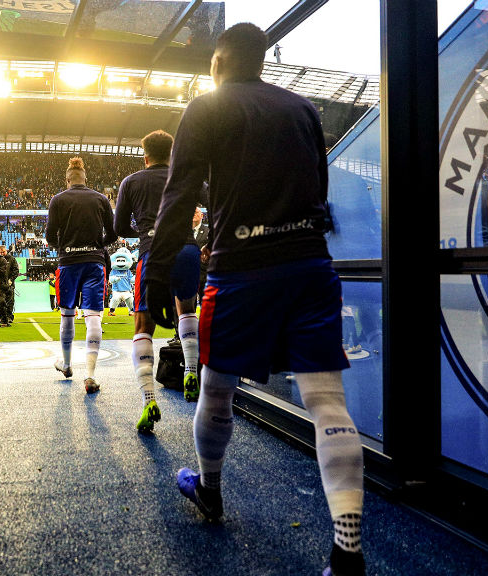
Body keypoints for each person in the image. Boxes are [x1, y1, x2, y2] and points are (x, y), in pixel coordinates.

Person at [146, 23, 365, 576]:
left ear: (219, 63)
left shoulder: (207, 107)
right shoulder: (304, 110)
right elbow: (321, 188)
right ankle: (347, 549)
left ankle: (210, 490)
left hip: (240, 270)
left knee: (217, 388)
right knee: (328, 403)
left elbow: (177, 193)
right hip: (310, 265)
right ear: (262, 62)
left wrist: (158, 271)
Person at [114, 129, 203, 435]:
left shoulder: (131, 182)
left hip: (153, 252)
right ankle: (191, 371)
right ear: (172, 154)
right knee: (187, 311)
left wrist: (141, 228)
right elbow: (217, 202)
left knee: (143, 326)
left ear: (145, 156)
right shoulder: (187, 178)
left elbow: (118, 226)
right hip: (188, 249)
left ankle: (149, 400)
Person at [46, 157, 116, 394]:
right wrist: (97, 245)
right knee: (93, 315)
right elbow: (113, 233)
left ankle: (66, 364)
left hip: (68, 263)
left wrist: (63, 248)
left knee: (67, 314)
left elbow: (49, 236)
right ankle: (90, 375)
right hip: (94, 263)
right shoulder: (100, 198)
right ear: (86, 179)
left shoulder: (58, 200)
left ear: (67, 180)